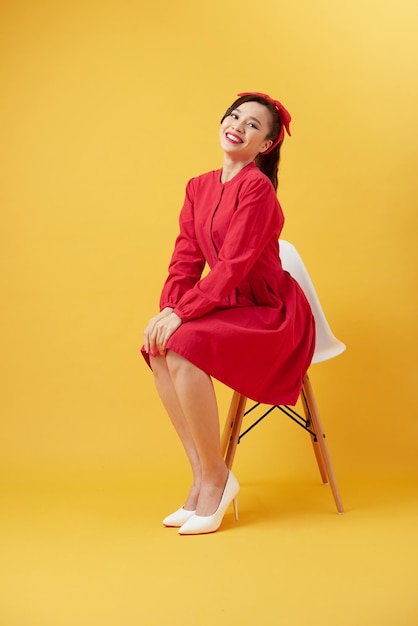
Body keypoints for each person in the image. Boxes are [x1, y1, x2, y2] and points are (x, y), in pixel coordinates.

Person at [142, 92, 315, 535]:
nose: (238, 125)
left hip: (270, 313)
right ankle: (204, 475)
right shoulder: (198, 186)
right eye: (235, 116)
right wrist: (167, 309)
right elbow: (185, 258)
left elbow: (235, 265)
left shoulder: (258, 188)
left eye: (253, 125)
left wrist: (183, 314)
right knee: (159, 345)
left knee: (183, 344)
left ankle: (216, 478)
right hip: (226, 305)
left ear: (266, 146)